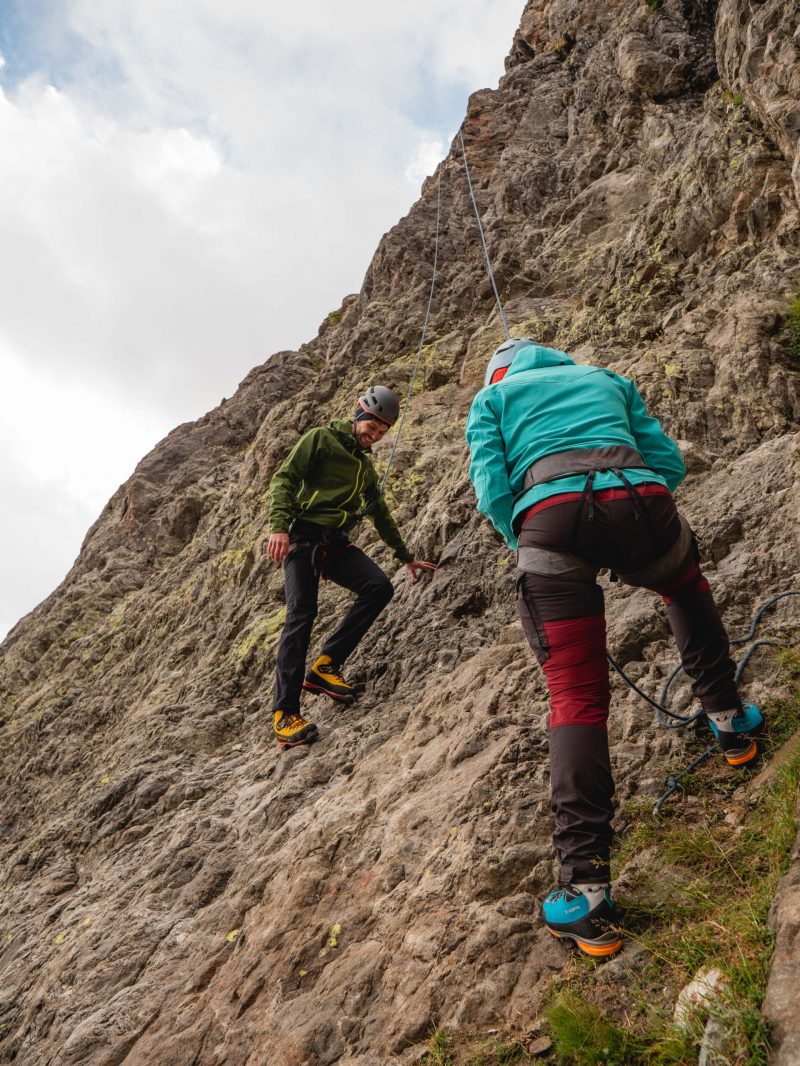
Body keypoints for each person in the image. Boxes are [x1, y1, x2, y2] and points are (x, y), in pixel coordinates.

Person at [465, 337, 762, 958]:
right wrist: (645, 502)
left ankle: (588, 893)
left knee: (575, 696)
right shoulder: (603, 376)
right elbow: (666, 459)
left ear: (499, 371)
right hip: (640, 498)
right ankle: (731, 723)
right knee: (683, 589)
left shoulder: (491, 397)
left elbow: (492, 486)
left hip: (549, 518)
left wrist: (527, 537)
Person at [268, 385, 436, 748]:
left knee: (379, 587)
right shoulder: (322, 440)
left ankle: (325, 666)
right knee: (302, 615)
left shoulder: (365, 468)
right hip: (303, 534)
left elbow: (380, 513)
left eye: (380, 432)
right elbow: (285, 478)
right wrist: (279, 526)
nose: (373, 435)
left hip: (334, 543)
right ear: (358, 414)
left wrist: (404, 556)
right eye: (370, 427)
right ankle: (284, 714)